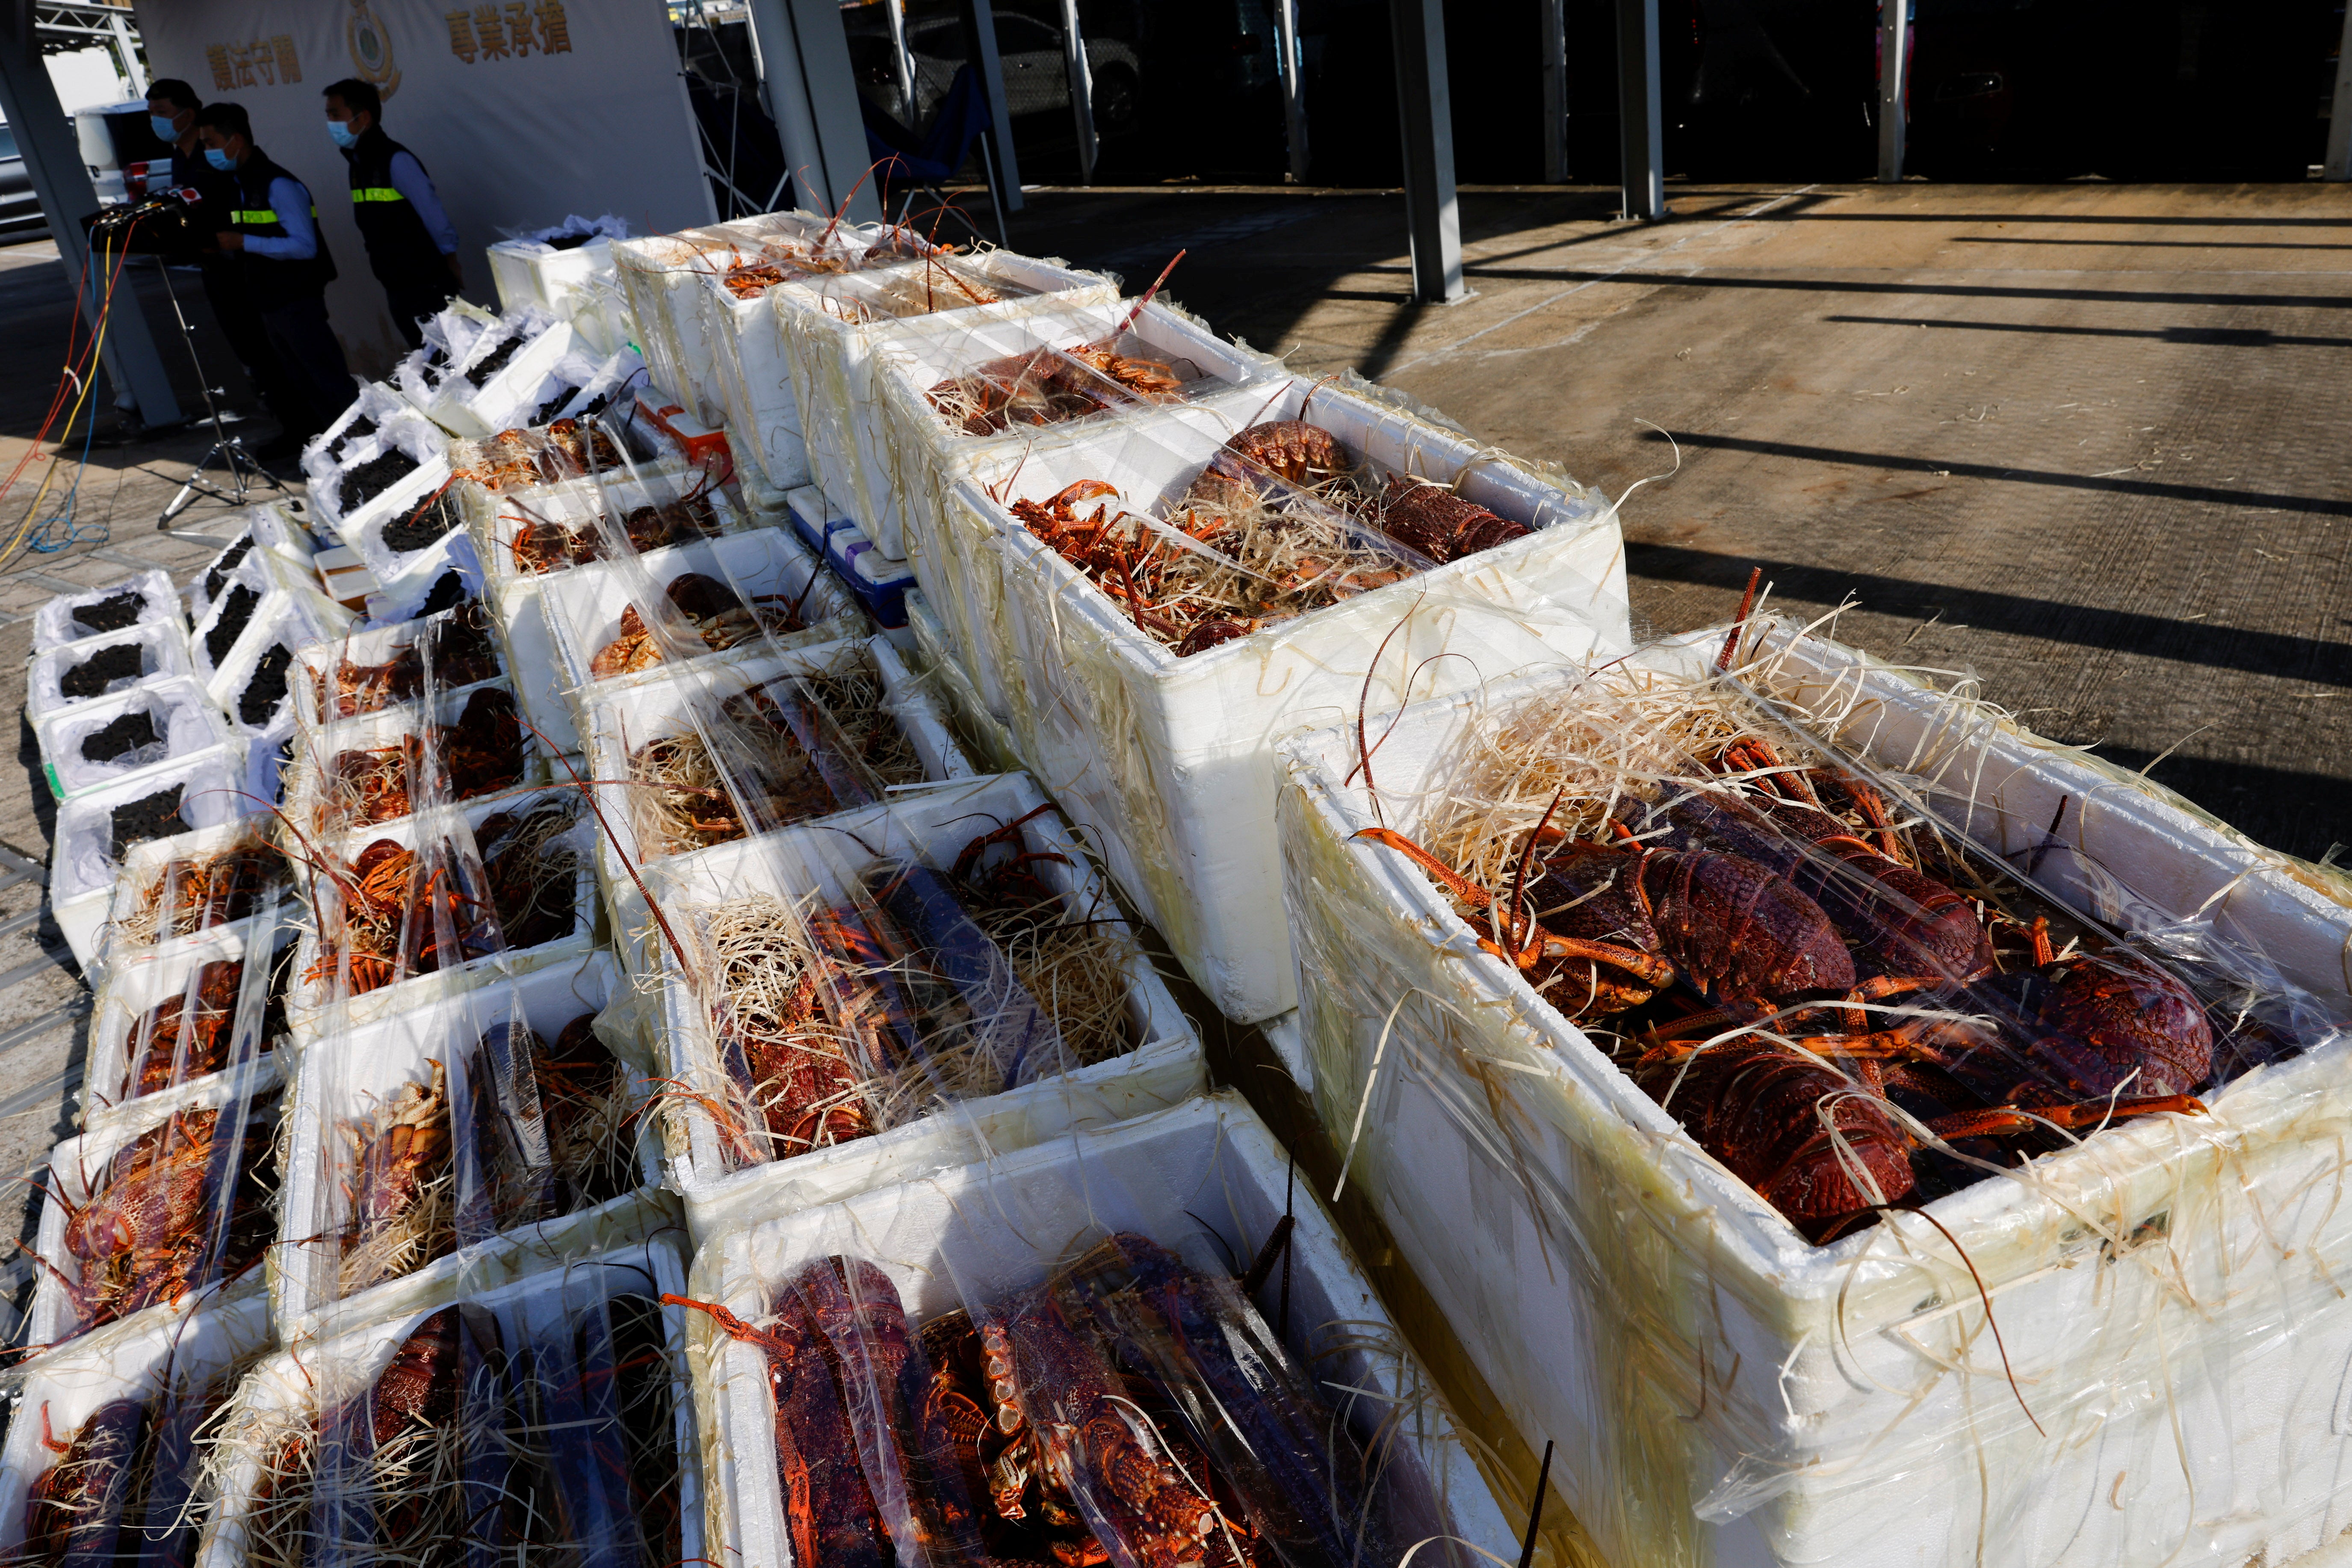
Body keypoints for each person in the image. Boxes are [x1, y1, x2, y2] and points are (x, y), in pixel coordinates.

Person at [144, 79, 307, 459]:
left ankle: (306, 430)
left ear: (189, 114)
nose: (156, 121)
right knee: (252, 356)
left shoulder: (213, 159)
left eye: (163, 113)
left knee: (272, 353)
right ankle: (290, 428)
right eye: (151, 113)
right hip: (214, 269)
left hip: (241, 268)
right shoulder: (179, 157)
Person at [191, 103, 354, 443]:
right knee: (304, 381)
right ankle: (337, 451)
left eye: (209, 143)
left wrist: (243, 241)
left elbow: (304, 246)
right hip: (269, 301)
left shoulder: (277, 183)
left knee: (327, 379)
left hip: (295, 298)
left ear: (235, 140)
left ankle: (365, 447)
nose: (205, 151)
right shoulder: (241, 183)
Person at [323, 79, 461, 348]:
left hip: (425, 282)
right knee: (425, 359)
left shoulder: (396, 160)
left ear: (363, 117)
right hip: (395, 283)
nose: (330, 123)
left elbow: (435, 217)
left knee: (447, 357)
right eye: (328, 115)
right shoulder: (357, 163)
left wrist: (451, 261)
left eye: (335, 115)